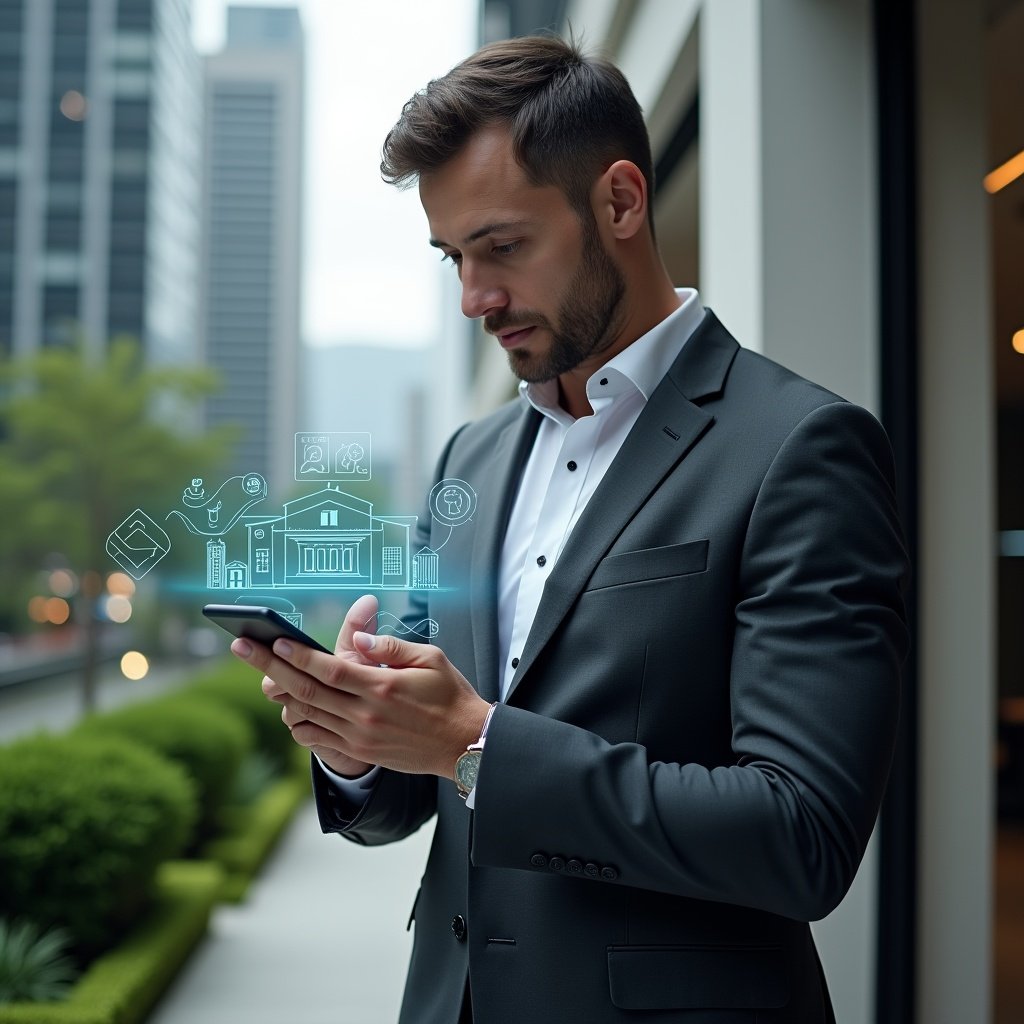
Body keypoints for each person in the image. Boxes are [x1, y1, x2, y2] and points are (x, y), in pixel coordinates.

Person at [231, 35, 908, 1024]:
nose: (474, 297)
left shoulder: (801, 447)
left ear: (621, 202)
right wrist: (356, 742)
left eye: (502, 246)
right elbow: (416, 792)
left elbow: (799, 835)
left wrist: (477, 743)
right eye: (454, 257)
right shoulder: (472, 455)